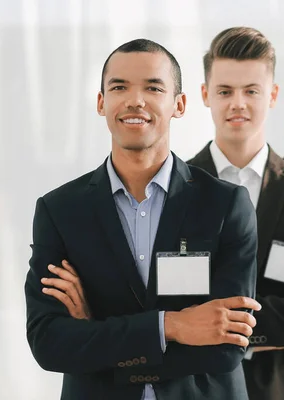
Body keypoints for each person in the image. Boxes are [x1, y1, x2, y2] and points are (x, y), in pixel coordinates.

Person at [24, 38, 261, 400]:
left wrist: (95, 333)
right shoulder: (59, 210)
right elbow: (49, 343)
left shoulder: (226, 205)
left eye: (153, 87)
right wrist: (174, 326)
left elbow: (226, 346)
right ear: (101, 102)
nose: (135, 100)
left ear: (178, 104)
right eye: (119, 87)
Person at [187, 27, 284, 400]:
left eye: (252, 91)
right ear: (205, 95)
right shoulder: (175, 189)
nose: (238, 103)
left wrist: (218, 324)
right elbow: (162, 303)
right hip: (198, 387)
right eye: (225, 91)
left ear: (272, 95)